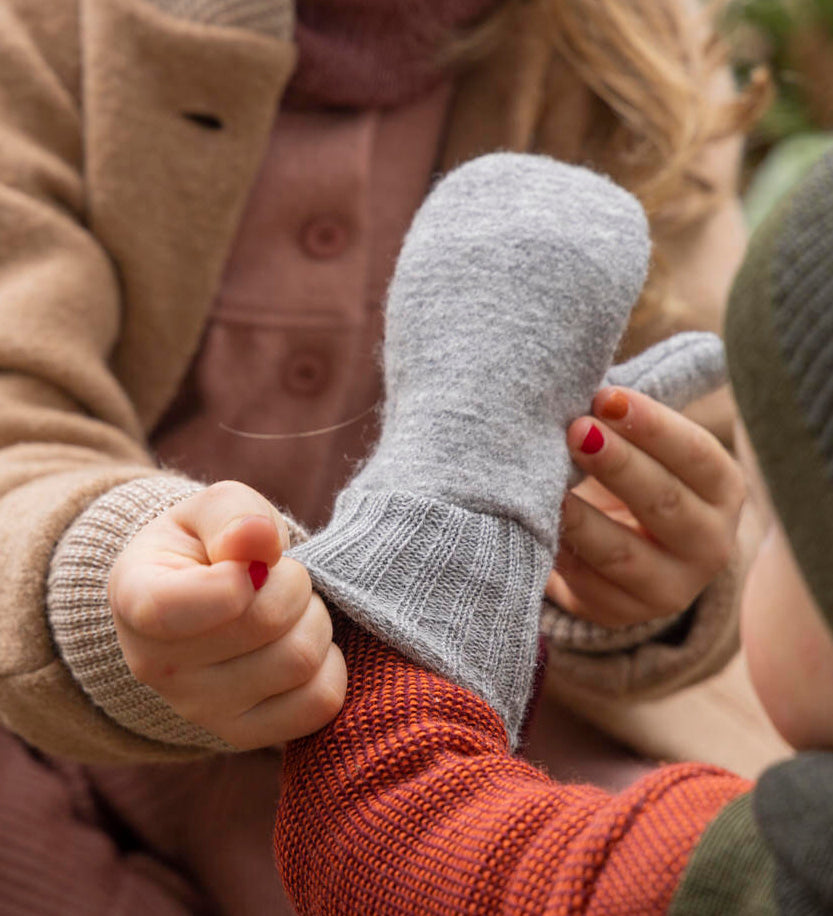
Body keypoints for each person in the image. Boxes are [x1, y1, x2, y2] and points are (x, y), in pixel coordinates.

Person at [0, 0, 766, 911]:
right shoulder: (41, 34)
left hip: (492, 729)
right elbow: (18, 413)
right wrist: (107, 577)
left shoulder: (632, 52)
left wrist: (640, 576)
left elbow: (720, 452)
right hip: (79, 744)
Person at [275, 146, 833, 916]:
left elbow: (389, 832)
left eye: (772, 529)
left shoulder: (781, 872)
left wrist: (446, 519)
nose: (753, 544)